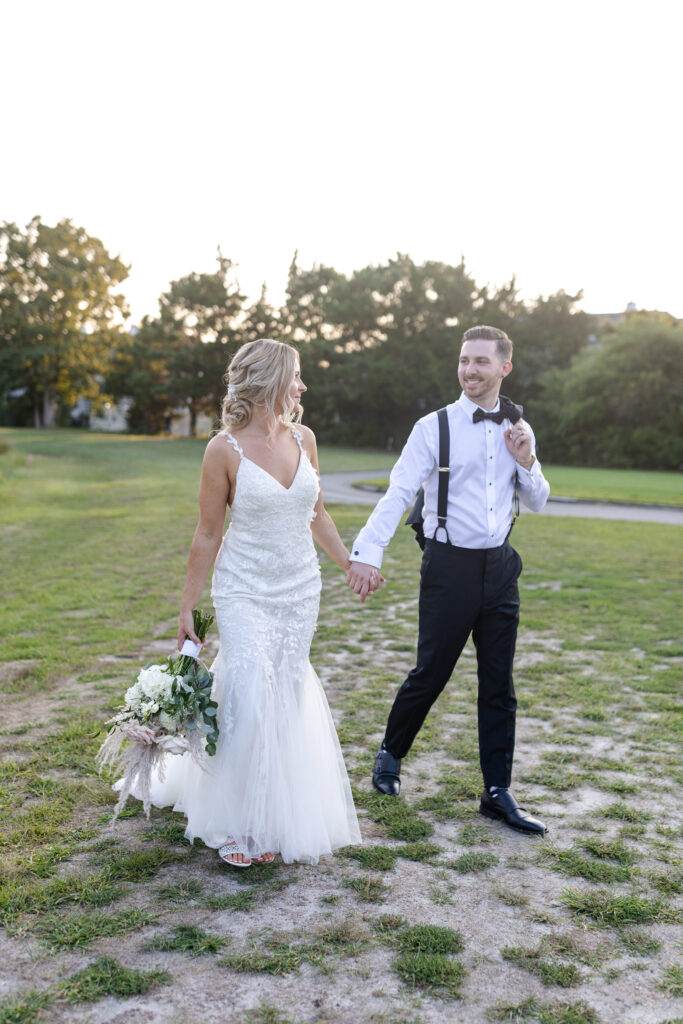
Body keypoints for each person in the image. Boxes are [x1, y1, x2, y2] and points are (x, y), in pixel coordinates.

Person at [138, 338, 361, 866]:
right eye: (297, 376)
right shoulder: (222, 449)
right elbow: (208, 533)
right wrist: (188, 605)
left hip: (299, 587)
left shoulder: (304, 438)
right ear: (269, 382)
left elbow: (318, 515)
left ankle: (275, 811)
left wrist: (349, 564)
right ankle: (237, 822)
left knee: (283, 689)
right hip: (242, 587)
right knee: (250, 692)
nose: (303, 387)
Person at [347, 326, 550, 835]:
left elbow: (539, 499)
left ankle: (497, 791)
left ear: (505, 367)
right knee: (431, 672)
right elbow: (397, 493)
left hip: (500, 567)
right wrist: (368, 552)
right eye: (464, 360)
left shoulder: (518, 427)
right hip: (448, 567)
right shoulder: (431, 427)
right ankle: (390, 756)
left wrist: (526, 461)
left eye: (481, 361)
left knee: (499, 683)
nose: (470, 370)